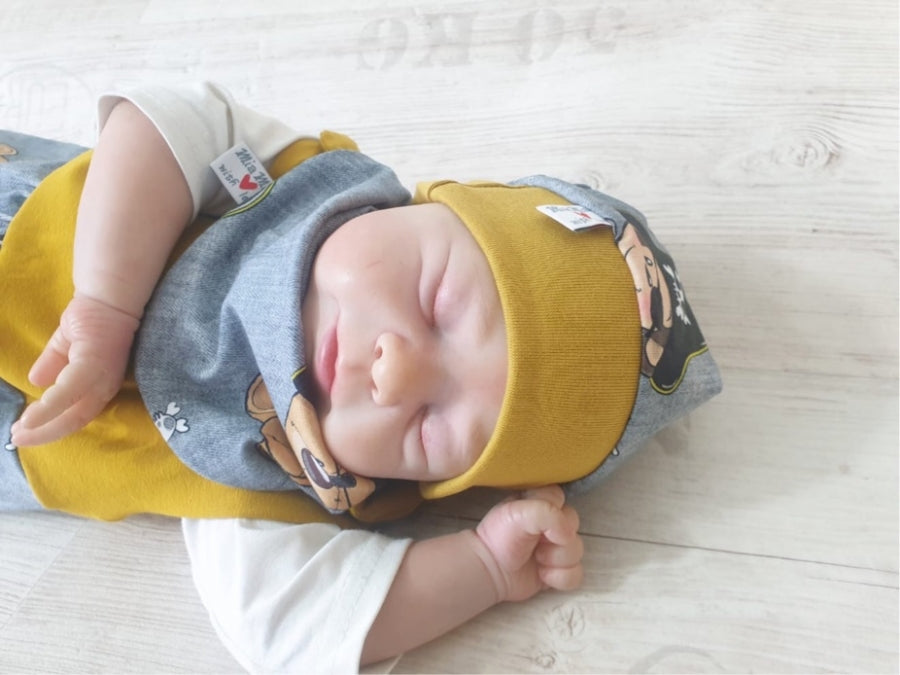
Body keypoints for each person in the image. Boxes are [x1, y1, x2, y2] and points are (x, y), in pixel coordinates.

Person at [0, 83, 721, 670]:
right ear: (430, 206)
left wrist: (485, 567)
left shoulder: (272, 475)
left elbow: (287, 627)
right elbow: (163, 123)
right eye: (435, 302)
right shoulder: (289, 182)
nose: (395, 374)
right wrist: (105, 304)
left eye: (429, 430)